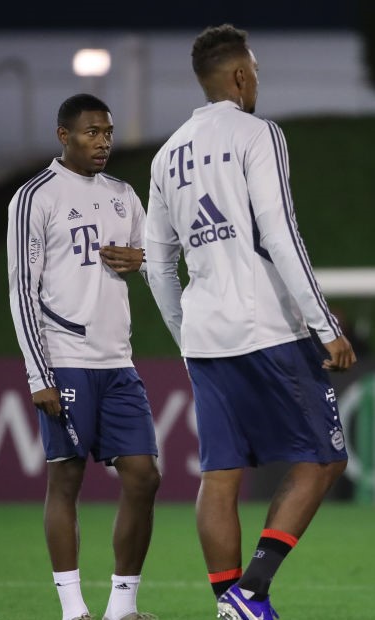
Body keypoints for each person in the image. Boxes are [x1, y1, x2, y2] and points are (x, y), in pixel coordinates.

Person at [145, 24, 356, 620]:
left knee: (220, 474)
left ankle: (230, 606)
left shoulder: (165, 156)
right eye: (255, 71)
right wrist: (324, 324)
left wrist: (184, 335)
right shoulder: (258, 133)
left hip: (206, 335)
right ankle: (251, 591)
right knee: (325, 459)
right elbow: (281, 234)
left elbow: (157, 265)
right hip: (268, 327)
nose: (257, 81)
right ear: (239, 75)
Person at [7, 93, 161, 620]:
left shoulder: (122, 194)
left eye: (108, 132)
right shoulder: (35, 197)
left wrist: (143, 258)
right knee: (66, 480)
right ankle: (74, 610)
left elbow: (159, 258)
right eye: (92, 132)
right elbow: (22, 291)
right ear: (63, 135)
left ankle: (122, 607)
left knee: (144, 477)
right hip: (65, 358)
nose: (103, 142)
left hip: (118, 362)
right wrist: (39, 373)